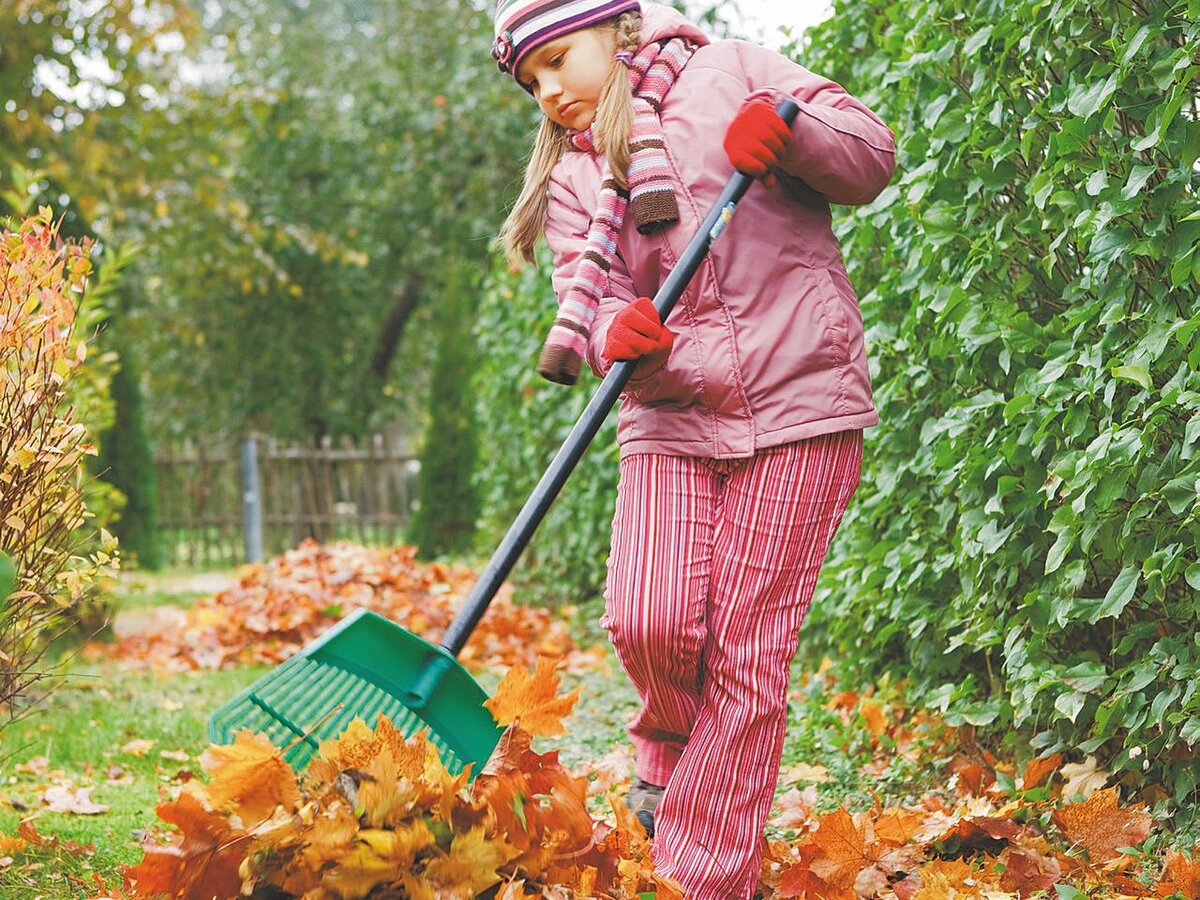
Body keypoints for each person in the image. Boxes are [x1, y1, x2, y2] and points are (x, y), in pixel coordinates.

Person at [490, 1, 895, 896]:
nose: (549, 89)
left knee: (747, 655)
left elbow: (870, 152)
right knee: (650, 616)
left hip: (800, 404)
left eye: (558, 60)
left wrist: (793, 141)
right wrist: (614, 335)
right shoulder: (572, 178)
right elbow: (584, 297)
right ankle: (667, 748)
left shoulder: (735, 70)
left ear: (618, 31)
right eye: (532, 81)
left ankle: (701, 876)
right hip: (669, 417)